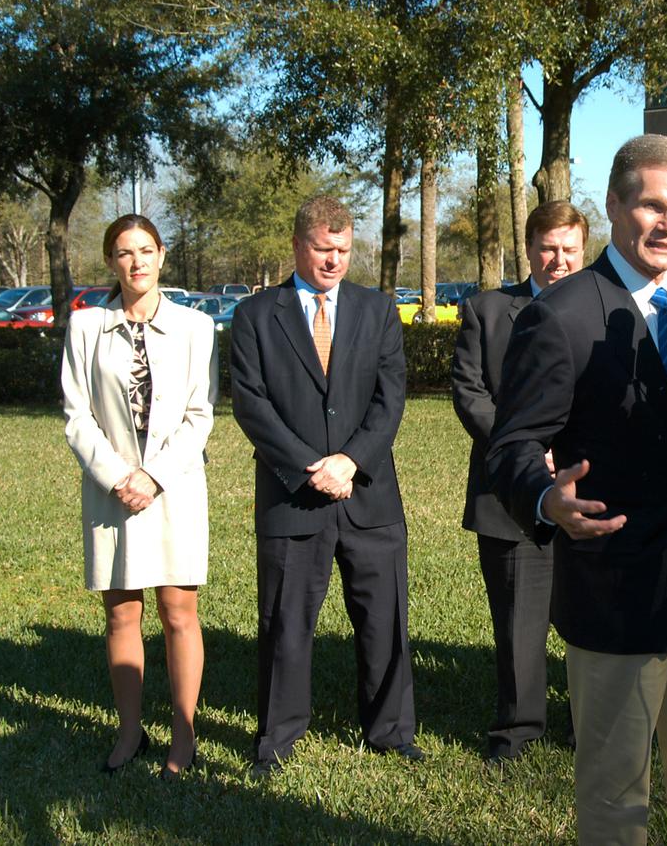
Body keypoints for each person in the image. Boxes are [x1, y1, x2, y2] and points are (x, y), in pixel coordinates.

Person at [487, 135, 667, 845]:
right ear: (614, 204)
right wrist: (548, 500)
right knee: (616, 795)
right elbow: (509, 447)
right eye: (653, 206)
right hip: (616, 591)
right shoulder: (561, 314)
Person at [230, 194, 421, 776]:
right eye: (322, 249)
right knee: (285, 623)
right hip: (294, 496)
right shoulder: (256, 315)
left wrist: (350, 462)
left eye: (342, 249)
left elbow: (391, 399)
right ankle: (279, 737)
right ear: (297, 245)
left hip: (369, 496)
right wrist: (312, 466)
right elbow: (251, 405)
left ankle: (390, 730)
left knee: (384, 618)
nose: (334, 260)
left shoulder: (377, 309)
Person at [61, 214, 217, 779]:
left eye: (146, 250)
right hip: (112, 491)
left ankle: (184, 734)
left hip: (173, 487)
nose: (137, 262)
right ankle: (131, 731)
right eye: (125, 253)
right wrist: (117, 476)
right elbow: (77, 415)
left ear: (162, 254)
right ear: (110, 261)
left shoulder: (196, 329)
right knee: (122, 613)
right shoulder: (85, 328)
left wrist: (153, 476)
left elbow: (201, 415)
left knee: (180, 612)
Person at [451, 200, 588, 764]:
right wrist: (530, 455)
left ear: (584, 251)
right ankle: (519, 732)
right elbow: (470, 395)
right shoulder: (487, 310)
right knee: (518, 622)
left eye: (569, 250)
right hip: (510, 492)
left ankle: (590, 724)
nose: (558, 260)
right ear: (529, 248)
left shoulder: (606, 308)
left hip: (589, 491)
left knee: (592, 619)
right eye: (548, 248)